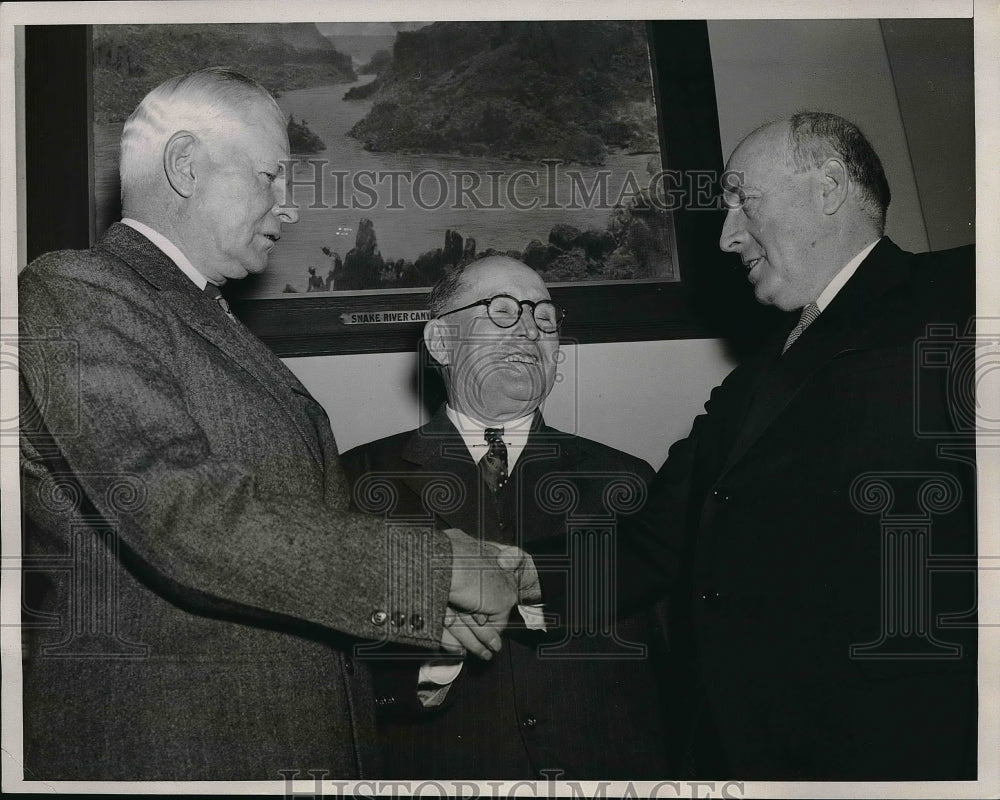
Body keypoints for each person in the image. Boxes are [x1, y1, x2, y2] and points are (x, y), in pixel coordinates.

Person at [17, 67, 518, 781]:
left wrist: (417, 612)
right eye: (270, 177)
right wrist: (434, 568)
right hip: (176, 752)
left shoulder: (200, 314)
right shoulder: (74, 290)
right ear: (186, 164)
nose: (288, 209)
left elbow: (287, 549)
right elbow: (182, 515)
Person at [525, 111, 977, 780]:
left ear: (827, 189)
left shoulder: (964, 296)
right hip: (752, 757)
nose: (728, 234)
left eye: (743, 198)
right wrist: (481, 579)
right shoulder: (747, 385)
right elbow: (651, 546)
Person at [341, 256, 672, 779]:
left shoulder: (627, 480)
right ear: (442, 343)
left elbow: (677, 669)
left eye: (545, 317)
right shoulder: (356, 480)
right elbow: (336, 676)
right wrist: (428, 664)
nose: (531, 329)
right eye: (502, 311)